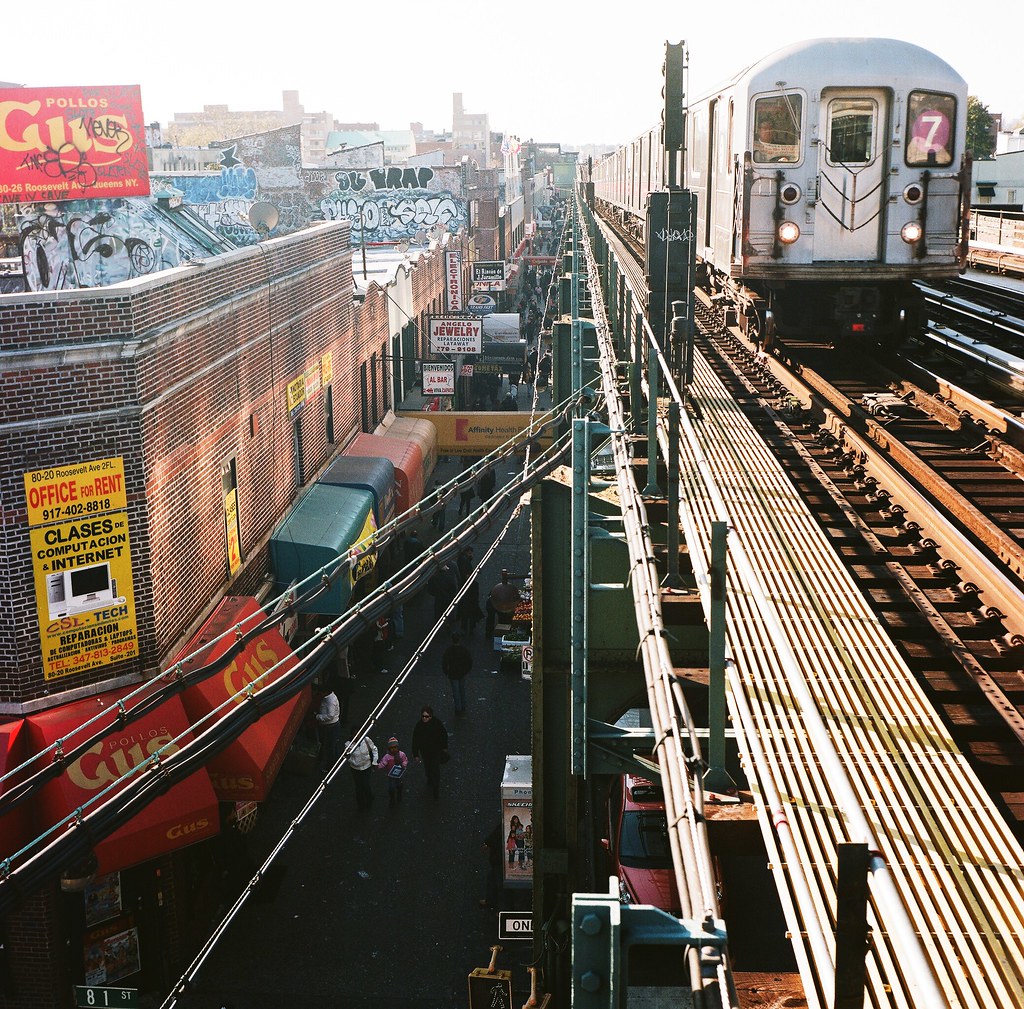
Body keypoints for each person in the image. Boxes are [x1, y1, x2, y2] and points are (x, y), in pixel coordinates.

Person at [411, 706, 449, 800]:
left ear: (431, 716)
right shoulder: (419, 725)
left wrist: (444, 747)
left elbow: (443, 735)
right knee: (428, 767)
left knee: (435, 769)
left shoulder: (436, 724)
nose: (424, 718)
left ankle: (435, 788)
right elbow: (415, 740)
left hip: (435, 752)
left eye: (426, 716)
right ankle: (430, 778)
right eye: (423, 716)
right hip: (425, 752)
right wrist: (415, 754)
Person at [442, 631, 473, 715]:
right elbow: (469, 662)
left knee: (455, 691)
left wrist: (446, 672)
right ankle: (463, 705)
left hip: (453, 673)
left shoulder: (449, 651)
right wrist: (466, 671)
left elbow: (444, 663)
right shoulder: (464, 650)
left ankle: (458, 708)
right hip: (462, 673)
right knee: (462, 689)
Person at [346, 732, 378, 811]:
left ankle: (369, 797)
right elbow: (347, 757)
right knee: (358, 786)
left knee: (365, 783)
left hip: (367, 767)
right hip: (355, 769)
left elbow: (374, 749)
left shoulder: (366, 740)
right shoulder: (348, 744)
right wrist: (354, 762)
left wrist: (374, 761)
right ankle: (361, 804)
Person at [314, 684, 341, 770]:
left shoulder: (330, 701)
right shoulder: (330, 698)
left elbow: (330, 715)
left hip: (330, 726)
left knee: (330, 747)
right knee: (332, 746)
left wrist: (318, 717)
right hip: (332, 725)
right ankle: (335, 762)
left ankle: (330, 766)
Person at [377, 736, 408, 806]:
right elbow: (383, 763)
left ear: (398, 747)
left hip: (399, 773)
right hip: (390, 774)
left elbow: (405, 760)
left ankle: (399, 793)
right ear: (389, 749)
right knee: (391, 787)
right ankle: (392, 798)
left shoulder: (401, 754)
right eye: (392, 748)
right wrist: (378, 767)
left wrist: (403, 764)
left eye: (395, 747)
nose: (393, 749)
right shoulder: (387, 756)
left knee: (399, 784)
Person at [480, 824, 504, 910]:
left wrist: (487, 843)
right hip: (501, 858)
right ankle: (492, 902)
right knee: (493, 878)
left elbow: (497, 834)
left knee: (498, 882)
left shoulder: (505, 822)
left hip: (500, 859)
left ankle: (500, 908)